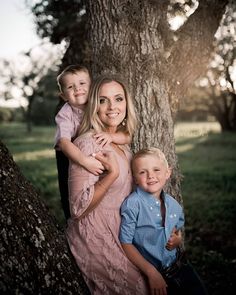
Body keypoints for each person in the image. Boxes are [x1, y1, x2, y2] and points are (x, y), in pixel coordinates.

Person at [66, 74, 150, 294]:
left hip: (124, 232)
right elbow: (77, 209)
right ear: (94, 105)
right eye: (103, 100)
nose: (112, 106)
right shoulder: (86, 144)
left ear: (126, 103)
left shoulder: (122, 144)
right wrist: (111, 175)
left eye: (118, 99)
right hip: (94, 233)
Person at [119, 147, 208, 295]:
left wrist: (178, 239)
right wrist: (151, 272)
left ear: (168, 173)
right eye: (142, 172)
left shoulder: (173, 205)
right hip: (156, 275)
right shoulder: (133, 204)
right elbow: (125, 242)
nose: (150, 176)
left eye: (156, 170)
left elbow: (176, 228)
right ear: (134, 178)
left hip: (181, 266)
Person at [54, 65, 130, 220]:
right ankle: (69, 218)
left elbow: (127, 136)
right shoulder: (65, 114)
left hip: (85, 147)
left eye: (82, 83)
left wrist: (112, 137)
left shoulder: (97, 105)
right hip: (67, 153)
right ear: (63, 96)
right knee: (67, 188)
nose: (78, 89)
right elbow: (64, 142)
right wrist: (84, 161)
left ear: (92, 86)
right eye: (70, 86)